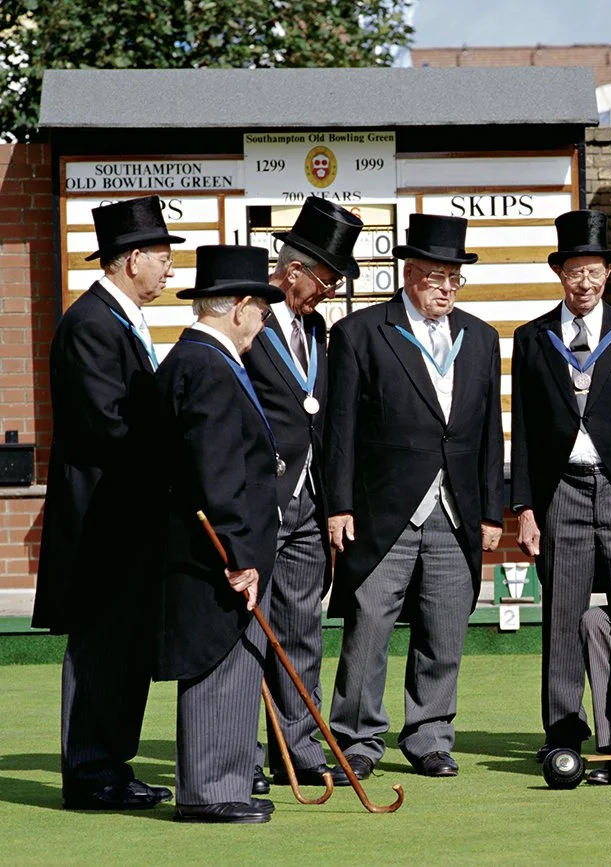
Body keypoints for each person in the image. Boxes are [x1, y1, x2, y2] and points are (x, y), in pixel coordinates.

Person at [325, 213, 505, 780]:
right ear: (408, 274)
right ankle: (356, 737)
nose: (445, 288)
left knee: (445, 629)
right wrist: (338, 504)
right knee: (369, 628)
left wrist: (492, 510)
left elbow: (485, 434)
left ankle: (429, 736)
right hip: (383, 511)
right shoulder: (361, 332)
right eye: (433, 276)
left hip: (456, 511)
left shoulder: (481, 337)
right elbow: (341, 429)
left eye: (453, 278)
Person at [33, 195, 182, 811]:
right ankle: (91, 772)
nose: (170, 270)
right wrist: (178, 462)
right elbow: (107, 426)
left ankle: (112, 765)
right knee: (100, 649)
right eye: (163, 257)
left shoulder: (120, 319)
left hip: (128, 521)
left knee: (126, 650)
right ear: (132, 259)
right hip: (102, 526)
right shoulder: (91, 324)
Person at [510, 210, 611, 770]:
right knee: (563, 614)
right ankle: (562, 728)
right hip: (563, 494)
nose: (584, 282)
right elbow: (524, 430)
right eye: (575, 271)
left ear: (608, 275)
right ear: (560, 273)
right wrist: (525, 507)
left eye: (594, 271)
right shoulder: (532, 339)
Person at [154, 245, 285, 823]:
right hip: (215, 554)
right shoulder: (206, 364)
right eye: (261, 308)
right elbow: (217, 468)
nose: (264, 321)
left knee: (239, 663)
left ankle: (227, 779)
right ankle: (209, 791)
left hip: (222, 547)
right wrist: (239, 553)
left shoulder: (204, 358)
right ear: (240, 307)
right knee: (220, 663)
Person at [244, 197, 363, 794]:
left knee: (301, 630)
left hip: (311, 505)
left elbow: (330, 418)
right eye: (325, 280)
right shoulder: (245, 318)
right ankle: (241, 753)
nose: (327, 293)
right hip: (259, 502)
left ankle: (299, 748)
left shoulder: (318, 329)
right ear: (292, 271)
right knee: (248, 632)